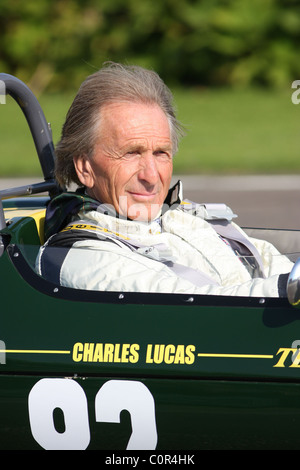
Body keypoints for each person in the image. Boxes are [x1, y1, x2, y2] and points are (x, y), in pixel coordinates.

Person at [36, 62, 293, 297]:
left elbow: (266, 260)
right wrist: (288, 289)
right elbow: (209, 308)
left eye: (161, 153)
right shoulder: (87, 259)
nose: (150, 175)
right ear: (85, 168)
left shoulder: (180, 216)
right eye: (131, 153)